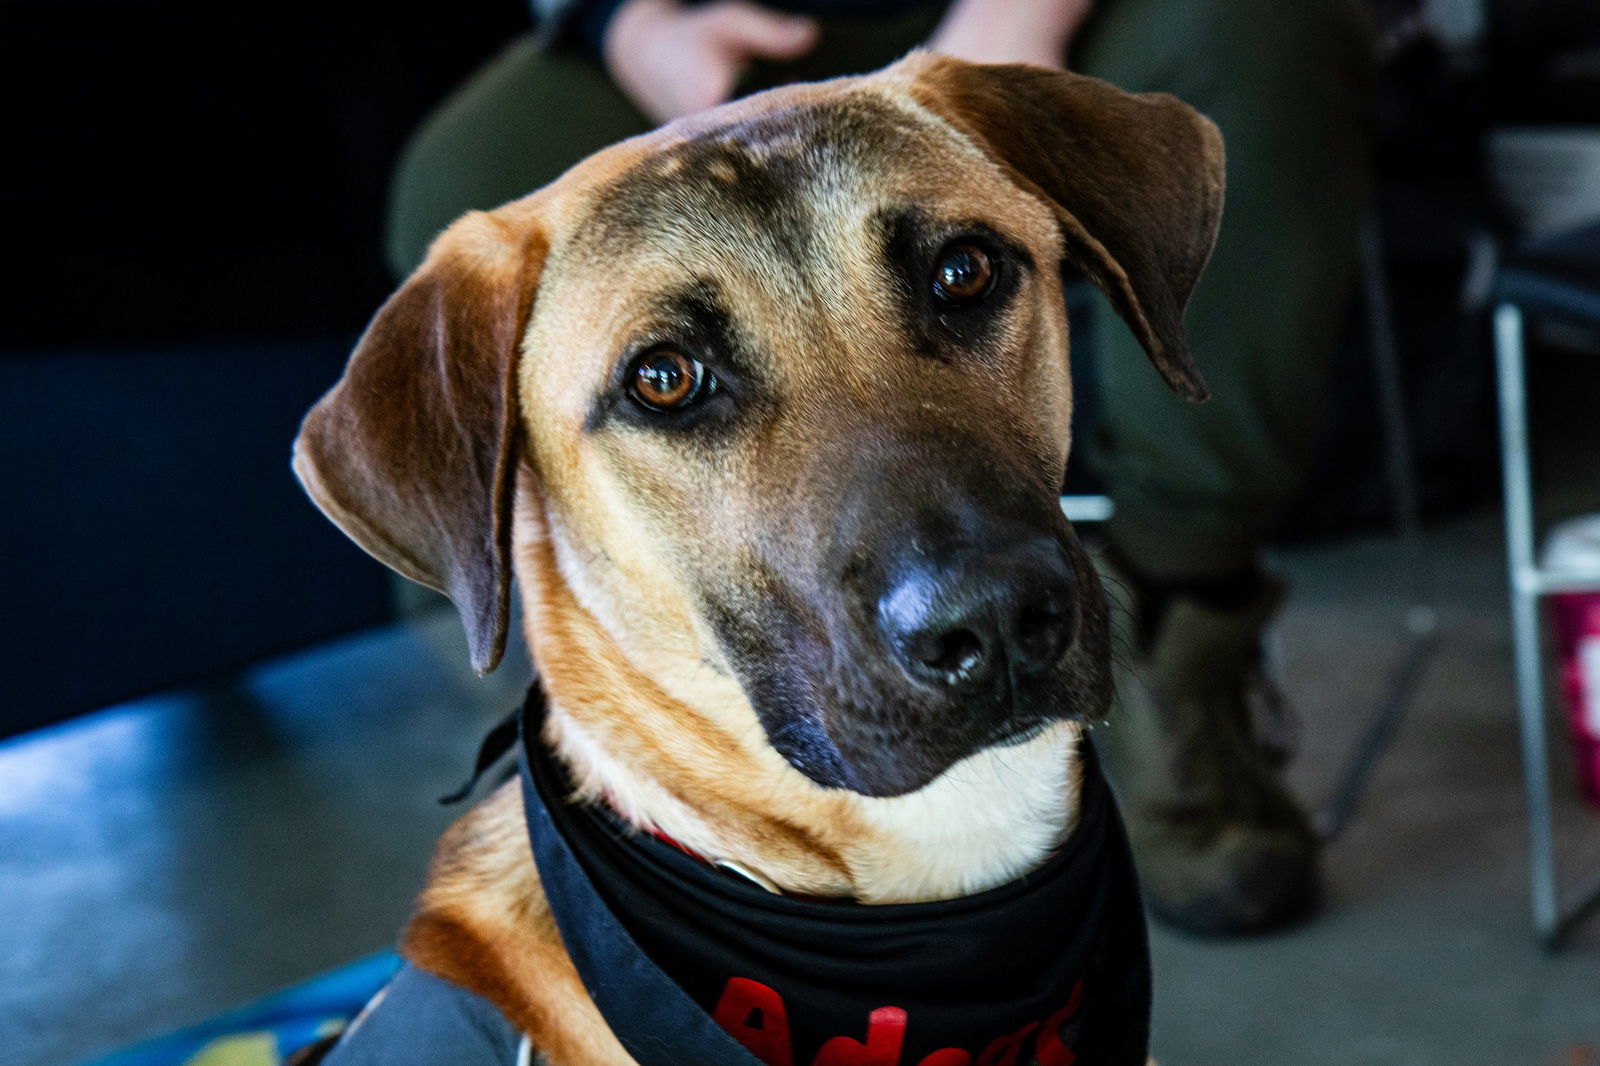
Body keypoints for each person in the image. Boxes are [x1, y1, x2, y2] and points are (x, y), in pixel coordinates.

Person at [385, 0, 1376, 937]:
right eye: (671, 381)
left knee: (1259, 30)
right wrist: (621, 20)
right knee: (457, 166)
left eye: (961, 279)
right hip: (719, 25)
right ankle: (621, 732)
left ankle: (1176, 609)